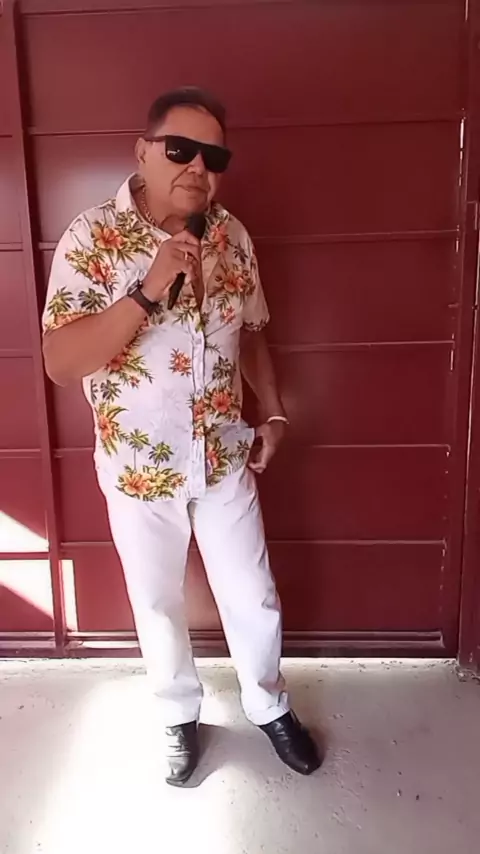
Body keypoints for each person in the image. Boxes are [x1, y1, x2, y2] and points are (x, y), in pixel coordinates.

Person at [42, 87, 321, 786]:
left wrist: (275, 412)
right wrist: (146, 289)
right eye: (180, 150)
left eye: (213, 157)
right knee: (157, 601)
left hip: (224, 456)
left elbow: (251, 335)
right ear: (142, 152)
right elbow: (62, 361)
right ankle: (177, 714)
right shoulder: (91, 238)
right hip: (138, 467)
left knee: (252, 595)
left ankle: (269, 705)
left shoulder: (233, 236)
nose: (198, 167)